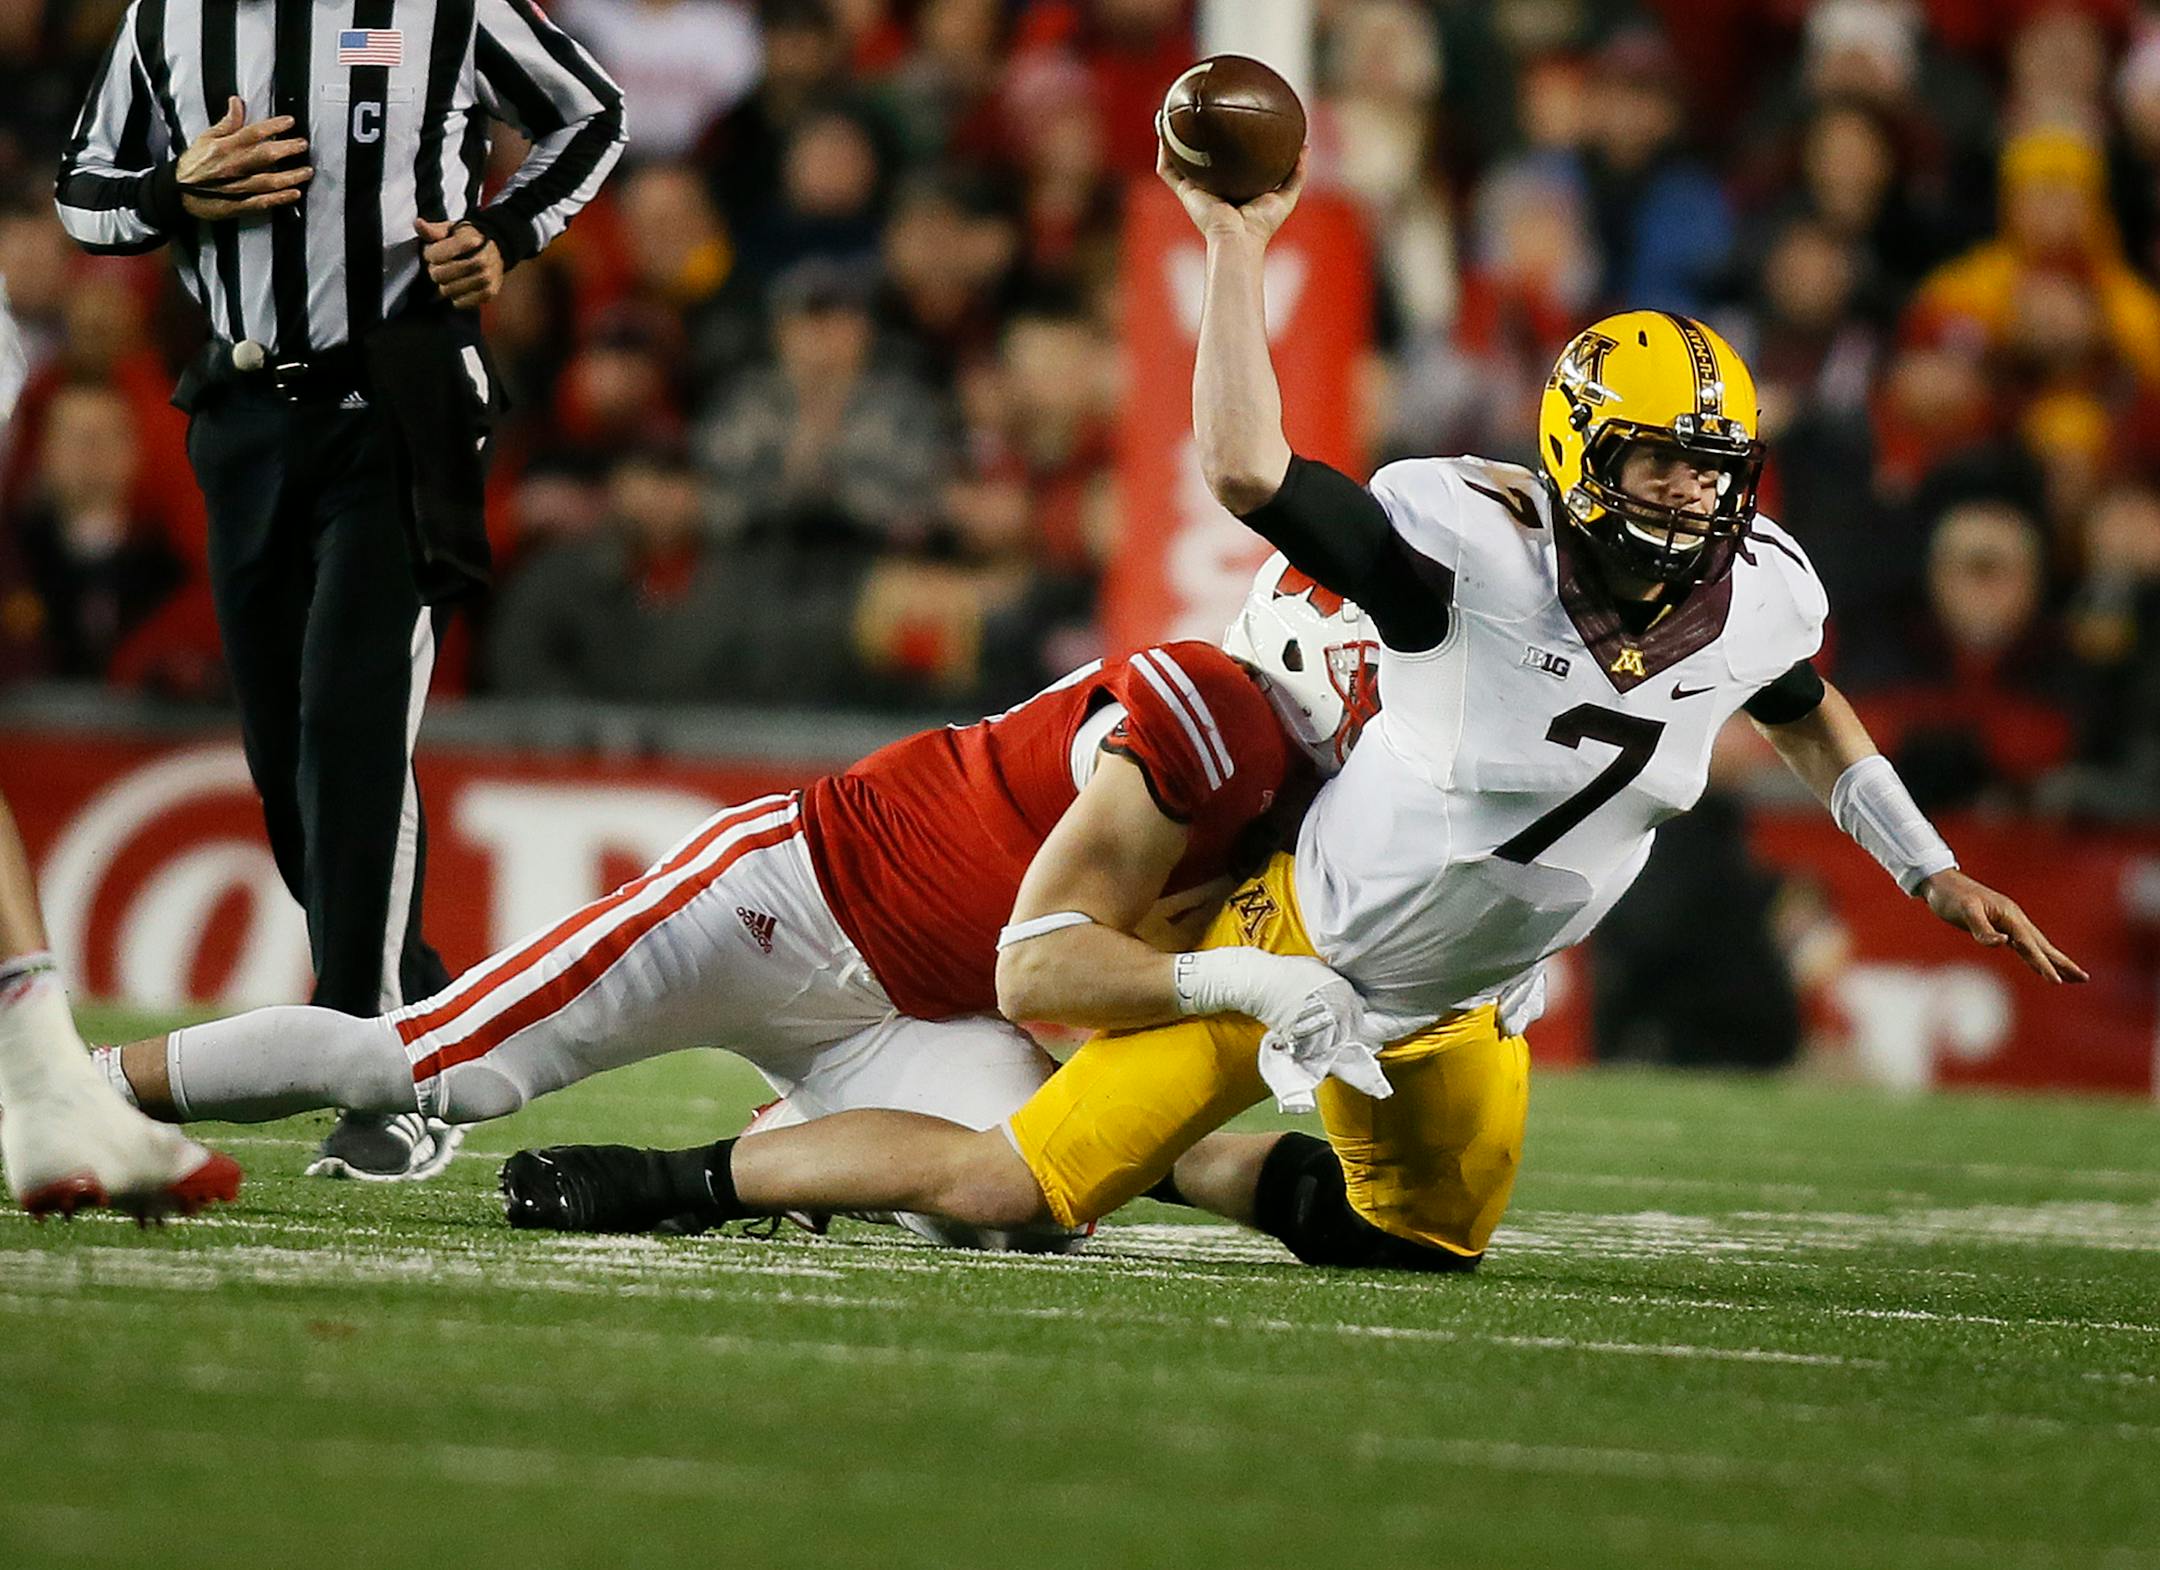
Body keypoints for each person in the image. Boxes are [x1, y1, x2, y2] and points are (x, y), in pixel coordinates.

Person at [513, 149, 2087, 1273]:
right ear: (1574, 452)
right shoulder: (1465, 560)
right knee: (1011, 1194)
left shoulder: (1765, 590)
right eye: (1655, 462)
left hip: (1470, 993)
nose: (1686, 497)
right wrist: (1236, 242)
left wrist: (1925, 861)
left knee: (1418, 1242)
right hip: (1299, 947)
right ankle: (676, 1177)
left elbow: (1806, 705)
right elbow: (1248, 470)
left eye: (1709, 468)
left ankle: (1190, 1159)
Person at [100, 569, 1384, 1250]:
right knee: (430, 1066)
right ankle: (80, 1080)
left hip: (911, 1008)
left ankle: (795, 1134)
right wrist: (1243, 981)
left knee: (1024, 1206)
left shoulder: (1281, 794)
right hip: (788, 901)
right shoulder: (1215, 714)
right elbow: (1046, 967)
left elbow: (1068, 992)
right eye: (1385, 677)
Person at [55, 1, 626, 1179]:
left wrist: (507, 233)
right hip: (244, 412)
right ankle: (424, 1013)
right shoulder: (169, 14)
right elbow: (80, 188)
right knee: (286, 757)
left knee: (350, 723)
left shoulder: (446, 5)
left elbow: (593, 112)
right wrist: (173, 191)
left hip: (401, 404)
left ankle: (380, 1070)